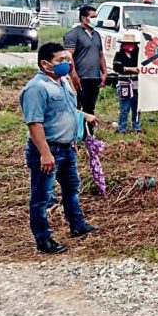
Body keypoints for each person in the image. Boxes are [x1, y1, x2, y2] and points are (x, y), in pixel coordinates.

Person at [20, 42, 99, 254]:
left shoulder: (62, 82)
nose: (66, 64)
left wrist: (83, 116)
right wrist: (45, 153)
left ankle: (77, 224)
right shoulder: (36, 88)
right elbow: (34, 123)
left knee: (72, 188)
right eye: (60, 61)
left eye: (67, 59)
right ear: (45, 64)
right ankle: (43, 240)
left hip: (67, 148)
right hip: (47, 151)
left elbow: (67, 110)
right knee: (42, 198)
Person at [64, 5, 107, 117]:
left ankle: (89, 133)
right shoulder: (73, 34)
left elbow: (100, 55)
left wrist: (104, 72)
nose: (95, 19)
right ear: (84, 18)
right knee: (76, 106)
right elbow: (69, 56)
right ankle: (76, 132)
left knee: (90, 108)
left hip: (94, 77)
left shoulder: (96, 35)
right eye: (93, 17)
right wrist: (74, 75)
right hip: (81, 77)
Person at [113, 33, 141, 134]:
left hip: (136, 84)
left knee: (136, 107)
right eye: (127, 43)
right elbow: (116, 68)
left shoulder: (139, 55)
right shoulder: (119, 55)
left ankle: (136, 127)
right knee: (124, 108)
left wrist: (126, 69)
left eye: (131, 44)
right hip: (124, 83)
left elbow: (141, 68)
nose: (129, 45)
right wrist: (131, 69)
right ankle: (122, 129)